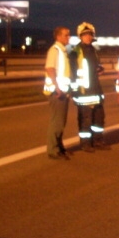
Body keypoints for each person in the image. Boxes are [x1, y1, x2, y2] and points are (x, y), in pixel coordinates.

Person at [69, 22, 111, 152]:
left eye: (90, 35)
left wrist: (100, 69)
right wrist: (74, 91)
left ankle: (98, 140)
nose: (88, 37)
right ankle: (85, 143)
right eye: (85, 35)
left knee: (99, 117)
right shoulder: (75, 52)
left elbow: (94, 67)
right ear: (80, 36)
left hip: (96, 90)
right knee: (85, 118)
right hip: (84, 92)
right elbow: (72, 73)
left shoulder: (93, 49)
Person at [44, 26, 72, 160]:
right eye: (66, 35)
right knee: (57, 122)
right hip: (57, 92)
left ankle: (59, 146)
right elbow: (50, 69)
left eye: (68, 35)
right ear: (58, 37)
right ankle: (53, 149)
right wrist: (57, 87)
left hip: (63, 91)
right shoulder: (55, 50)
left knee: (61, 122)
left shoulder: (63, 51)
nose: (68, 37)